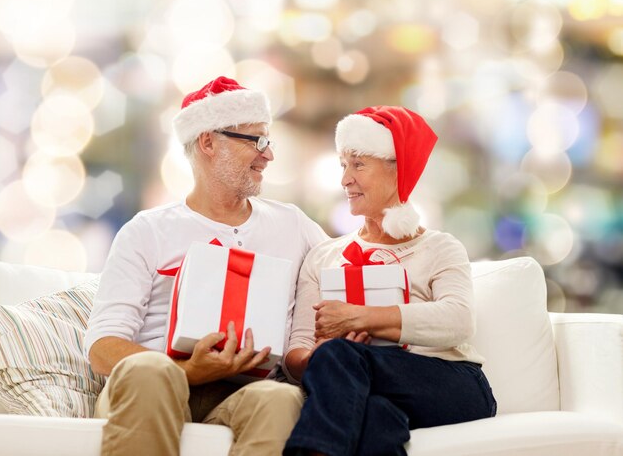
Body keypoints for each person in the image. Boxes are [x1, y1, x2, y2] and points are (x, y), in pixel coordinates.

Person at [84, 76, 328, 456]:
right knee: (151, 373)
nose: (269, 155)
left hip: (241, 394)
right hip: (155, 386)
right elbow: (102, 348)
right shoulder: (148, 230)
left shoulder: (293, 225)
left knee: (279, 399)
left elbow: (340, 272)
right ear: (209, 142)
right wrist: (185, 371)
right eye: (257, 141)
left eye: (270, 141)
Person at [282, 106, 497, 456]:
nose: (345, 179)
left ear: (399, 170)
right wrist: (315, 359)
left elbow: (459, 320)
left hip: (452, 384)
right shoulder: (323, 256)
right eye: (343, 165)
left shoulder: (439, 247)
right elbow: (296, 352)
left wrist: (361, 318)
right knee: (376, 416)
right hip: (362, 385)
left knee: (342, 356)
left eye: (359, 165)